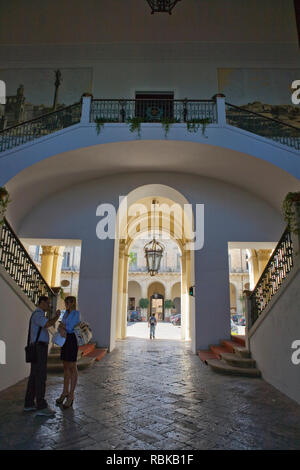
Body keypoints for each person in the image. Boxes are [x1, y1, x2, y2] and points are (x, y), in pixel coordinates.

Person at [24, 296, 60, 416]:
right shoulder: (38, 315)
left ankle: (29, 403)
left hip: (38, 348)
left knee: (34, 376)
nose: (49, 306)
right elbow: (48, 324)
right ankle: (41, 406)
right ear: (42, 303)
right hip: (39, 349)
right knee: (40, 376)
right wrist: (57, 317)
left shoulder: (38, 315)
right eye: (48, 303)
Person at [56, 296, 80, 409]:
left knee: (72, 366)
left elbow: (70, 328)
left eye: (67, 302)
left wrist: (63, 326)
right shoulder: (65, 313)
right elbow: (60, 326)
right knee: (65, 366)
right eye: (65, 302)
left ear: (72, 303)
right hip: (65, 340)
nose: (66, 304)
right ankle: (64, 392)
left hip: (71, 340)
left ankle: (71, 395)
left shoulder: (76, 314)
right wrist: (62, 326)